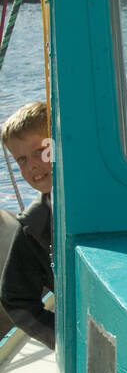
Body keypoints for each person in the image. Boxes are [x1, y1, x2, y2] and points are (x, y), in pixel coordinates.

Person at [1, 100, 55, 350]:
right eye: (21, 159)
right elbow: (15, 298)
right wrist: (62, 338)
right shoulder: (32, 227)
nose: (31, 165)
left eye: (39, 151)